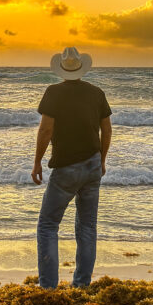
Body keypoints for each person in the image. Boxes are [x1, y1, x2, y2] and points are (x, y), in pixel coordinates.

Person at [32, 46, 112, 288]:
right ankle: (81, 285)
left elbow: (46, 131)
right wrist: (102, 161)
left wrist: (37, 162)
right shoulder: (96, 93)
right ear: (80, 68)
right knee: (87, 227)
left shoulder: (54, 92)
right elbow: (106, 130)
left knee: (48, 225)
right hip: (92, 165)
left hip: (66, 168)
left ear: (61, 69)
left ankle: (47, 287)